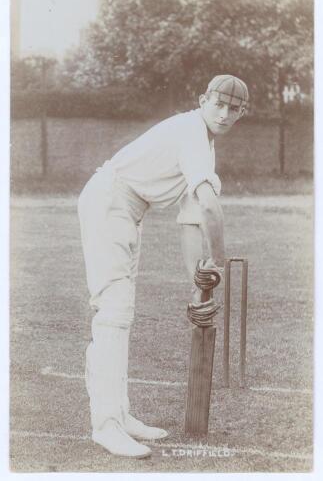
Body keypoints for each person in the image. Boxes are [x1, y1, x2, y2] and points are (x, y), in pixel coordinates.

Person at [78, 74, 249, 458]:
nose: (223, 114)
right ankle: (105, 425)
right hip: (110, 202)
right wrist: (218, 262)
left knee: (122, 314)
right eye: (217, 104)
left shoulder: (204, 147)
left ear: (242, 113)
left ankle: (120, 414)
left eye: (232, 108)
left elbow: (190, 220)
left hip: (127, 210)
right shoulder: (190, 132)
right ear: (203, 99)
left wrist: (197, 282)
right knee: (113, 314)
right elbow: (208, 208)